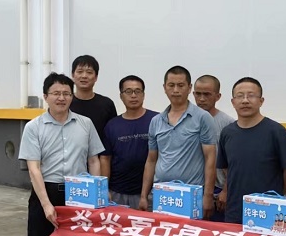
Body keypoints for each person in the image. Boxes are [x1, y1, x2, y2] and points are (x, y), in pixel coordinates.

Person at [11, 72, 104, 236]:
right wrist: (46, 205)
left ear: (72, 97)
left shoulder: (85, 124)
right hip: (46, 192)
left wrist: (94, 196)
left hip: (77, 194)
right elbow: (34, 169)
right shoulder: (34, 127)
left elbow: (94, 160)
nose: (61, 98)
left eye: (66, 93)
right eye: (56, 93)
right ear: (46, 96)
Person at [48, 54, 117, 236]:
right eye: (80, 71)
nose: (84, 76)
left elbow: (105, 148)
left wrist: (102, 184)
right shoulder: (65, 101)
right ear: (73, 75)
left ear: (96, 77)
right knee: (61, 230)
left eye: (89, 72)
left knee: (88, 230)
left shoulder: (106, 104)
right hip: (66, 176)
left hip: (93, 171)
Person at [138, 66, 216, 219]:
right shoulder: (156, 121)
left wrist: (208, 195)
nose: (175, 90)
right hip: (161, 194)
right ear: (164, 88)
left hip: (191, 195)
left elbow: (210, 158)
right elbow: (151, 160)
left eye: (180, 85)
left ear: (189, 88)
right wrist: (143, 196)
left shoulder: (202, 117)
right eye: (171, 85)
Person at [216, 77, 286, 224]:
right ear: (233, 102)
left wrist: (279, 193)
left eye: (251, 95)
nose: (245, 100)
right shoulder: (227, 132)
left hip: (268, 211)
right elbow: (227, 168)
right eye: (240, 96)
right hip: (235, 210)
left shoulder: (276, 131)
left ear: (261, 101)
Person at [100, 75, 158, 209]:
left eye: (138, 91)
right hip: (117, 192)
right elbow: (105, 159)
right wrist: (104, 189)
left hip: (149, 193)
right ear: (121, 96)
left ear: (143, 95)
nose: (133, 95)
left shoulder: (156, 120)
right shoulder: (112, 125)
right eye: (128, 91)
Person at [193, 75, 235, 221]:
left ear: (218, 96)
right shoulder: (186, 119)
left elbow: (232, 162)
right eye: (198, 94)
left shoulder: (228, 124)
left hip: (218, 191)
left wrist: (226, 190)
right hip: (192, 188)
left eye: (207, 94)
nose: (201, 99)